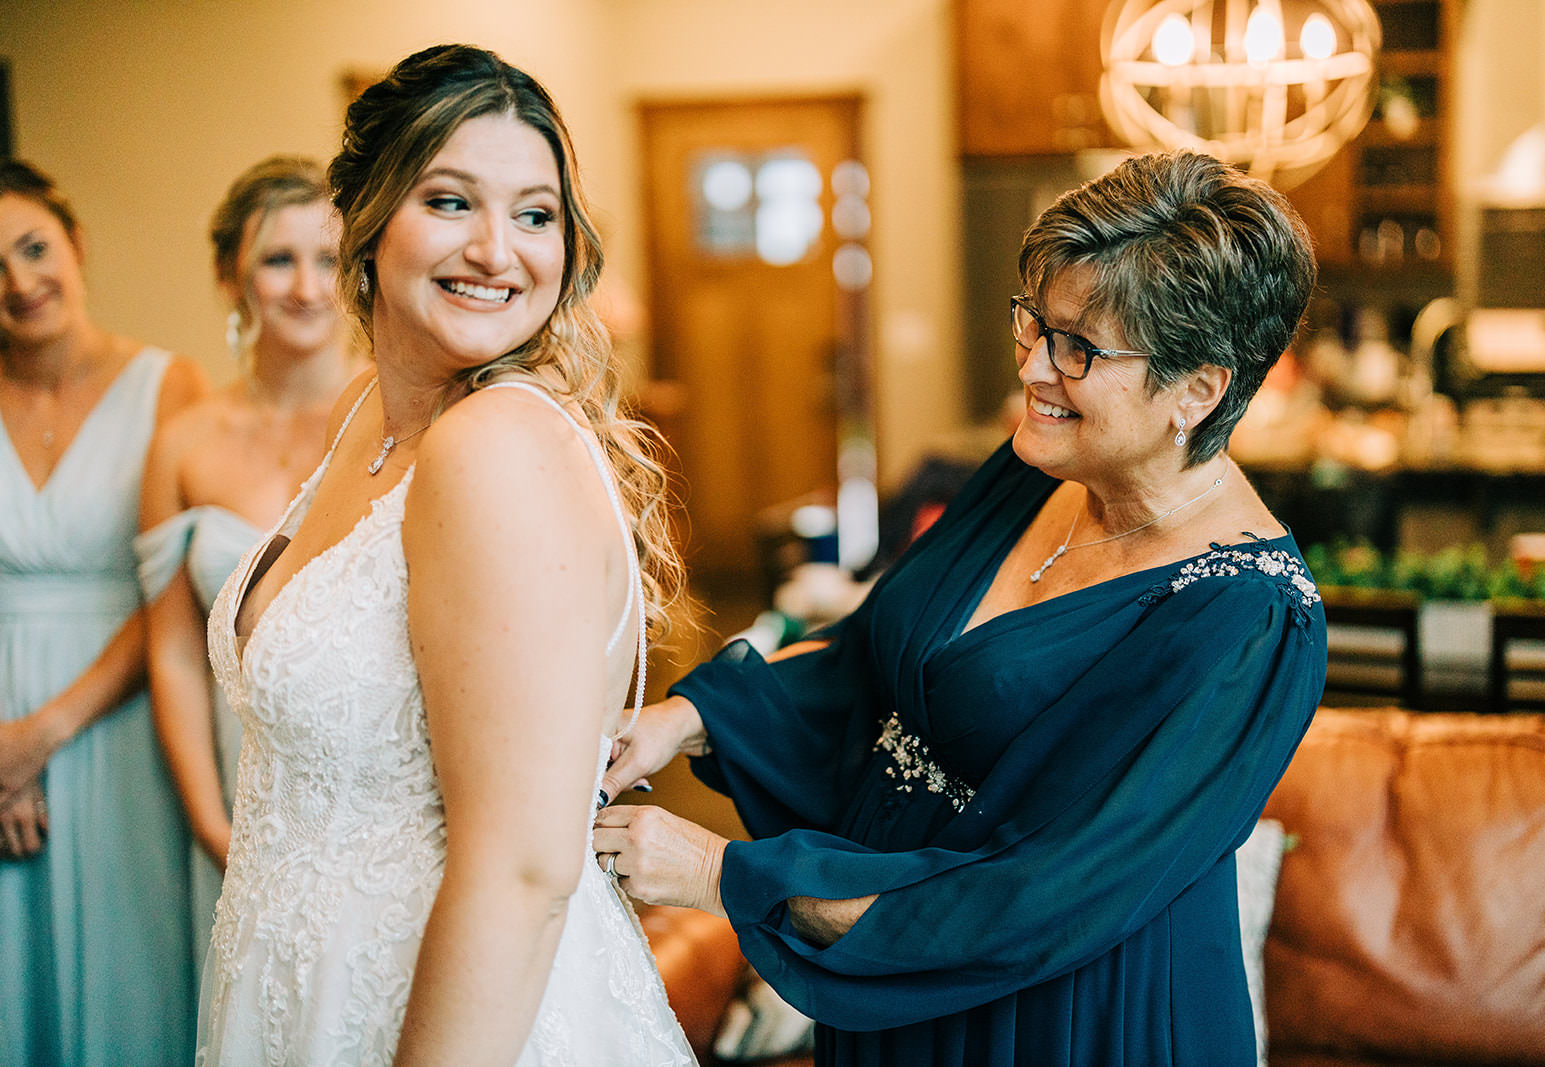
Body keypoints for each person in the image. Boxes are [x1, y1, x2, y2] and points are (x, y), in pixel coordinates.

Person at [595, 150, 1328, 1066]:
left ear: (1198, 389)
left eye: (1080, 349)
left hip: (1071, 1022)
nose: (1034, 367)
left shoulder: (1249, 621)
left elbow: (1042, 896)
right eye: (1037, 324)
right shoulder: (1036, 469)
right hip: (898, 983)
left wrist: (721, 874)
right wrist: (687, 717)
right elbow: (874, 653)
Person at [196, 45, 694, 1065]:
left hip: (452, 1018)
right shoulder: (371, 421)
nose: (498, 250)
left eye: (536, 214)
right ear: (367, 220)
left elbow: (522, 867)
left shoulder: (494, 443)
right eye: (452, 201)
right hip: (305, 991)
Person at [0, 160, 209, 1065]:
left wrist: (40, 735)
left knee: (133, 968)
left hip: (123, 721)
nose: (18, 282)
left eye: (33, 247)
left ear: (77, 246)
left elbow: (174, 596)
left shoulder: (170, 385)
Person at [137, 155, 365, 978]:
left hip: (369, 785)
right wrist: (210, 822)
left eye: (329, 258)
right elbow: (171, 650)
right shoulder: (181, 444)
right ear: (230, 276)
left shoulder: (400, 417)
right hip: (238, 785)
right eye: (278, 259)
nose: (307, 286)